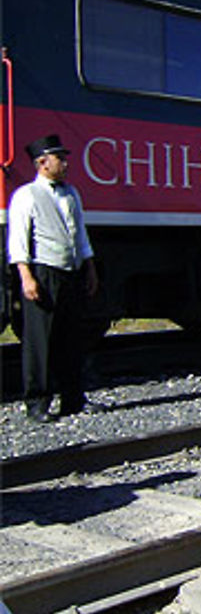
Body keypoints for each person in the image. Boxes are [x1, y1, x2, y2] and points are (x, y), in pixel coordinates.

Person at [7, 134, 100, 422]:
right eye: (60, 158)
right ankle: (37, 402)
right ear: (42, 163)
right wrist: (26, 276)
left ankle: (73, 398)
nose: (66, 163)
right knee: (40, 340)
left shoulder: (71, 193)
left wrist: (90, 266)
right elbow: (18, 240)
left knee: (71, 337)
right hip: (43, 271)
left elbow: (79, 233)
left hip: (70, 271)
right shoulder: (26, 195)